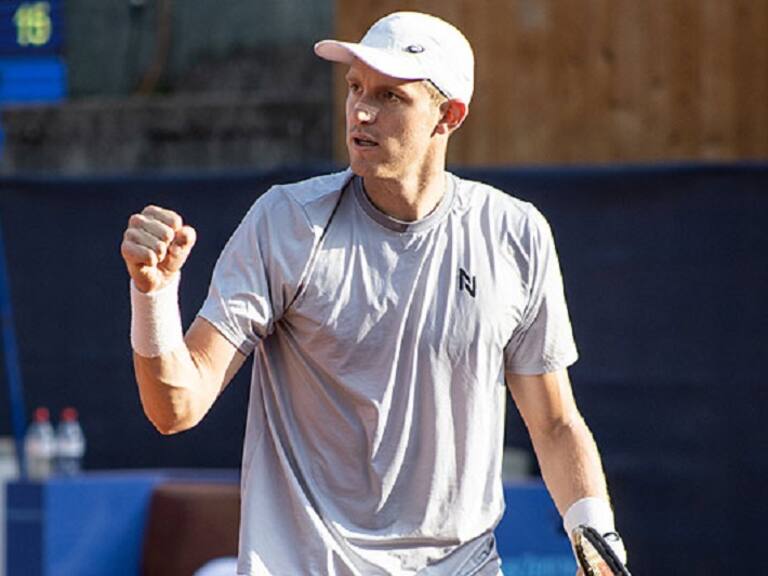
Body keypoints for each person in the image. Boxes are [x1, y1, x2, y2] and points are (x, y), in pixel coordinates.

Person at [121, 11, 627, 576]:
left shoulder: (517, 234)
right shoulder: (285, 222)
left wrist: (595, 532)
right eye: (356, 88)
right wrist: (155, 297)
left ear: (448, 116)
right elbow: (175, 407)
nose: (361, 111)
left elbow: (554, 423)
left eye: (390, 96)